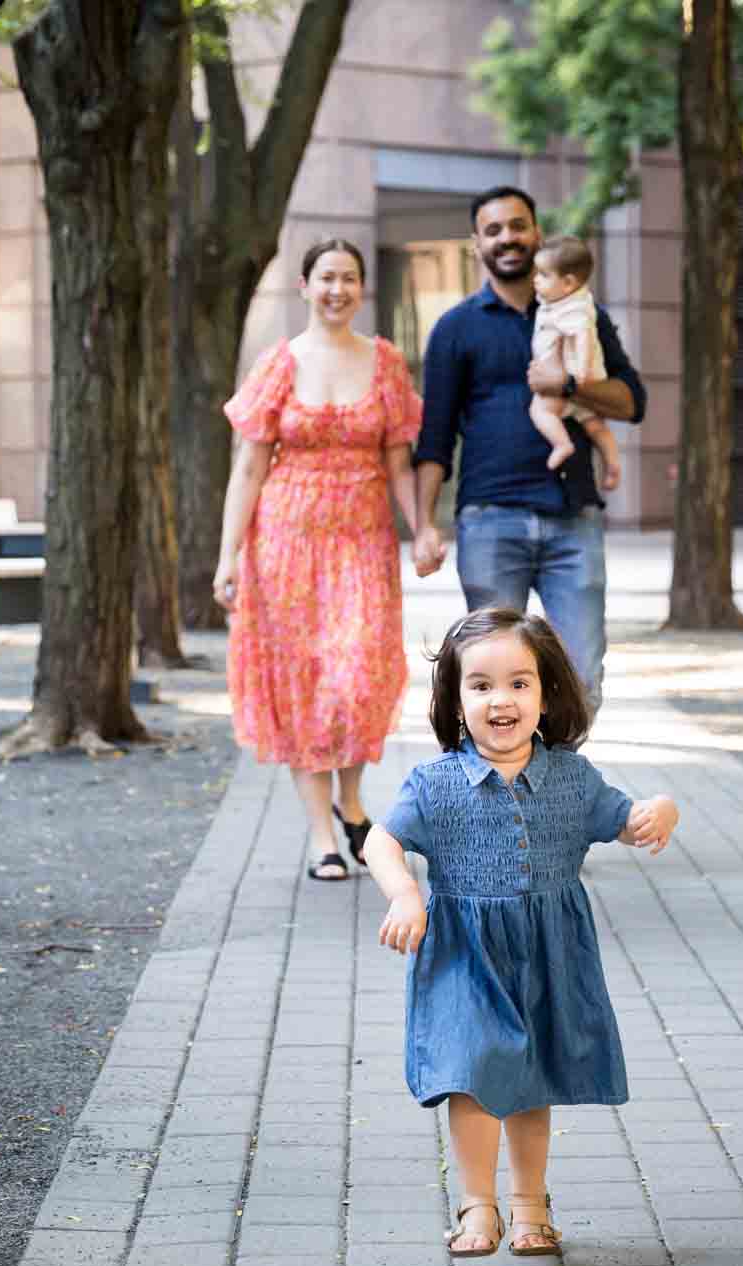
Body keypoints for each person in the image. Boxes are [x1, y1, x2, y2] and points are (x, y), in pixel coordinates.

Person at [363, 607, 679, 1259]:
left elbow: (625, 818)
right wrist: (404, 893)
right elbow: (381, 839)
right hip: (463, 955)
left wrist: (661, 809)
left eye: (518, 683)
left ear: (547, 691)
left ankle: (531, 1204)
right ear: (454, 698)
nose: (500, 699)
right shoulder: (435, 783)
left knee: (532, 1076)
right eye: (479, 685)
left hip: (547, 951)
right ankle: (479, 1204)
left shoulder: (570, 777)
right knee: (473, 1070)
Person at [214, 237, 426, 882]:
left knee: (357, 678)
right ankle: (322, 837)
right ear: (305, 286)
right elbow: (248, 468)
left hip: (363, 543)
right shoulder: (279, 364)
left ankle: (353, 800)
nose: (338, 289)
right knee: (304, 685)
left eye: (350, 278)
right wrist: (228, 557)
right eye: (326, 277)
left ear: (362, 288)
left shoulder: (385, 362)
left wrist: (423, 531)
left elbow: (398, 461)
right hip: (285, 547)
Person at [413, 185, 648, 714]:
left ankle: (557, 792)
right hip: (490, 521)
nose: (508, 238)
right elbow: (434, 437)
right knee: (493, 683)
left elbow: (633, 401)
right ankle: (502, 793)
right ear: (478, 244)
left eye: (518, 225)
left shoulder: (586, 317)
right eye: (493, 230)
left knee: (580, 678)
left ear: (537, 232)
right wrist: (424, 524)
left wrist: (568, 384)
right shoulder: (456, 328)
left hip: (574, 522)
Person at [528, 235, 623, 487]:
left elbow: (582, 337)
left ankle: (561, 444)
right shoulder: (572, 300)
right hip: (583, 382)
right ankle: (613, 464)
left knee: (539, 410)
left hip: (568, 380)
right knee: (594, 425)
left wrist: (577, 375)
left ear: (568, 283)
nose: (535, 279)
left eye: (544, 275)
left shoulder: (573, 311)